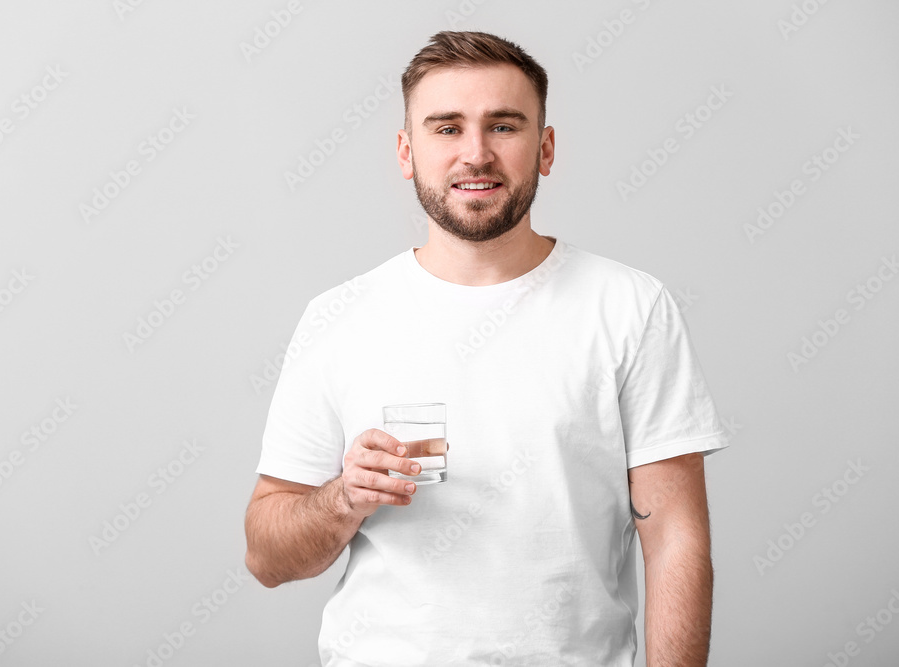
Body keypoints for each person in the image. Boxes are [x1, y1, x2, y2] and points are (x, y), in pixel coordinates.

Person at [245, 30, 729, 667]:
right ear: (406, 151)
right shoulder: (338, 317)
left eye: (503, 126)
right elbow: (265, 558)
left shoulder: (630, 307)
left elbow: (674, 538)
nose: (475, 154)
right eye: (445, 128)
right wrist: (344, 497)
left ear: (545, 147)